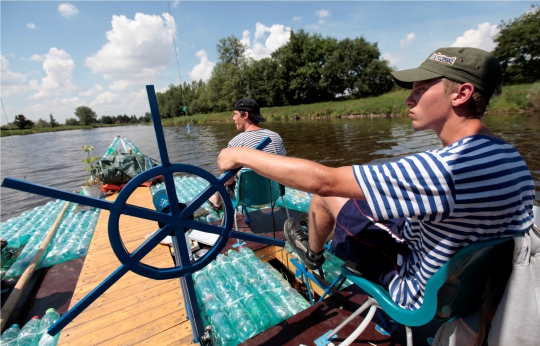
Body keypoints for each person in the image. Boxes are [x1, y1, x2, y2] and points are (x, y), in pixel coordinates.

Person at [217, 47, 535, 314]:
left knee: (323, 197)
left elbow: (323, 181)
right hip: (465, 288)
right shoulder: (508, 156)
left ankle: (311, 255)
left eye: (421, 90)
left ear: (462, 94)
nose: (409, 100)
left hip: (417, 290)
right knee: (365, 197)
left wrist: (239, 156)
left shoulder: (446, 169)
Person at [209, 97, 286, 208]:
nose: (233, 118)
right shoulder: (275, 137)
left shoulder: (234, 143)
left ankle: (216, 201)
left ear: (245, 115)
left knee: (224, 177)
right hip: (274, 193)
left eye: (235, 114)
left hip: (246, 198)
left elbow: (229, 181)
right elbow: (283, 167)